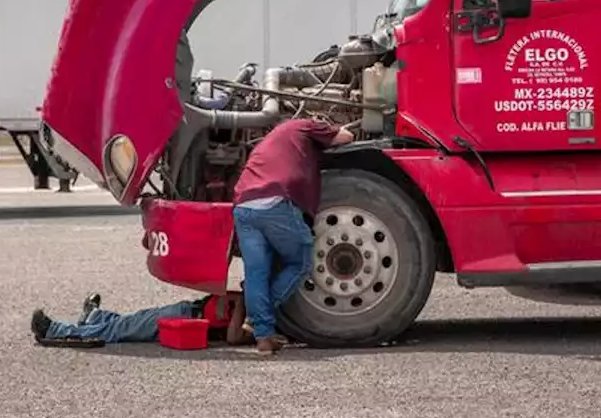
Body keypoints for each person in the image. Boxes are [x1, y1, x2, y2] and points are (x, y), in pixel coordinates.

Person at [232, 118, 356, 354]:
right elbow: (345, 137)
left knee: (257, 272)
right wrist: (336, 128)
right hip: (275, 202)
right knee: (300, 262)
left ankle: (264, 338)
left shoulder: (271, 139)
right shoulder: (305, 125)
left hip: (244, 206)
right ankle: (259, 318)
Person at [29, 290, 250, 347]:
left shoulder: (261, 315)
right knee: (131, 322)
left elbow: (233, 336)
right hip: (188, 310)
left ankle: (56, 330)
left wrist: (243, 299)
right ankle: (97, 317)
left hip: (187, 322)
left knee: (120, 330)